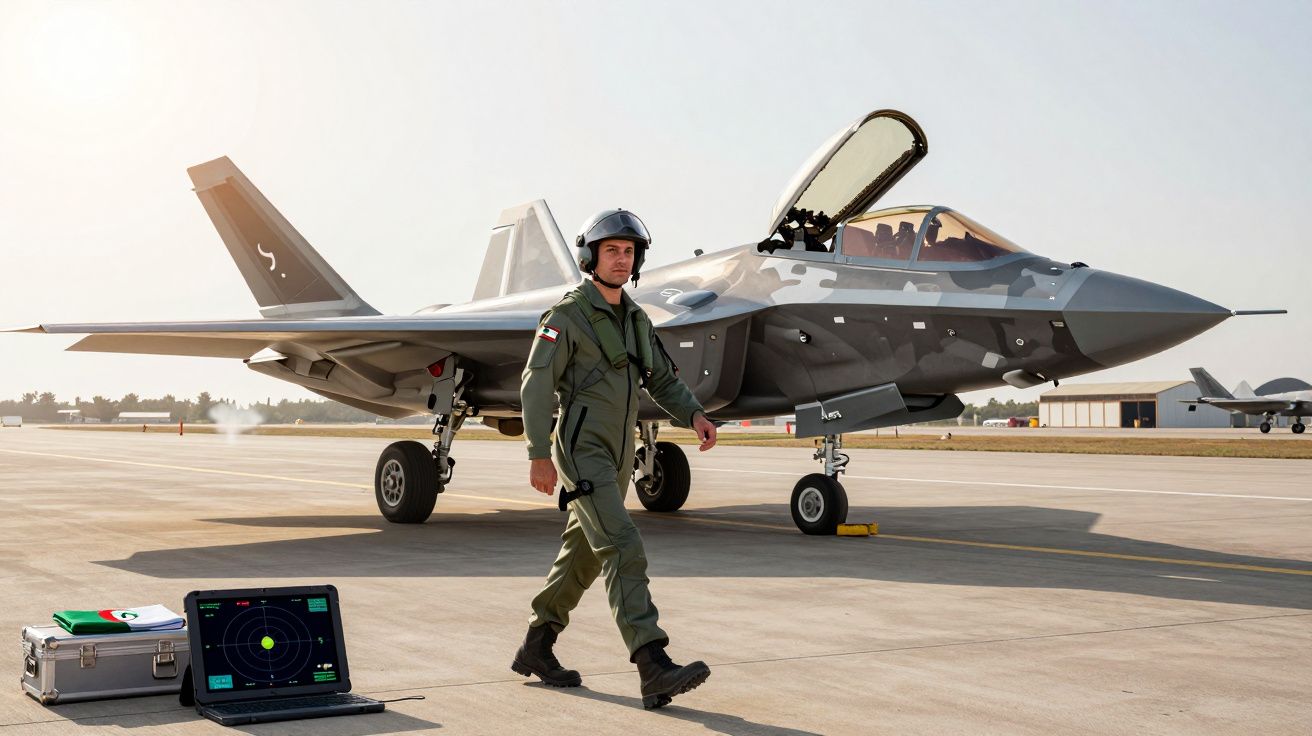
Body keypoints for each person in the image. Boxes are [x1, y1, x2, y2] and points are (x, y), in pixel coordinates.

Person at [513, 208, 719, 709]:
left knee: (582, 557)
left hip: (619, 452)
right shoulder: (566, 316)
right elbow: (535, 385)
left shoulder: (634, 318)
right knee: (623, 546)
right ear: (591, 256)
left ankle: (536, 647)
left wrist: (694, 415)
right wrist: (539, 454)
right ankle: (653, 664)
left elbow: (661, 378)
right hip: (581, 451)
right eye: (612, 251)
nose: (621, 260)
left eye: (629, 252)